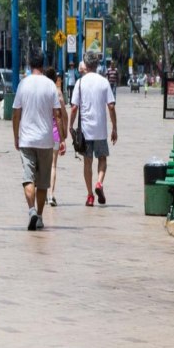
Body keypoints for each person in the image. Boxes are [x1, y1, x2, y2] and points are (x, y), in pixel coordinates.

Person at [12, 47, 66, 231]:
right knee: (43, 182)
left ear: (29, 63)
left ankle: (31, 210)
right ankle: (40, 216)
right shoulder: (50, 85)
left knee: (28, 178)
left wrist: (16, 136)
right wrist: (63, 137)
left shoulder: (23, 84)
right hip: (45, 139)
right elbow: (57, 114)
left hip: (27, 139)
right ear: (43, 64)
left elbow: (15, 114)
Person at [68, 51, 117, 207]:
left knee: (87, 162)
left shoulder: (80, 83)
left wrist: (70, 126)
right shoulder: (104, 82)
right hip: (100, 129)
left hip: (85, 131)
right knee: (102, 158)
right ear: (97, 64)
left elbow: (74, 108)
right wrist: (115, 127)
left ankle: (90, 195)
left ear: (85, 64)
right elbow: (111, 106)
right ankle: (99, 183)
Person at [45, 67, 68, 207]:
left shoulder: (41, 91)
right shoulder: (58, 93)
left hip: (42, 133)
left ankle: (40, 193)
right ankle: (51, 195)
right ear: (56, 79)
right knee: (53, 165)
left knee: (42, 165)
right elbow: (63, 115)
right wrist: (64, 133)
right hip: (55, 133)